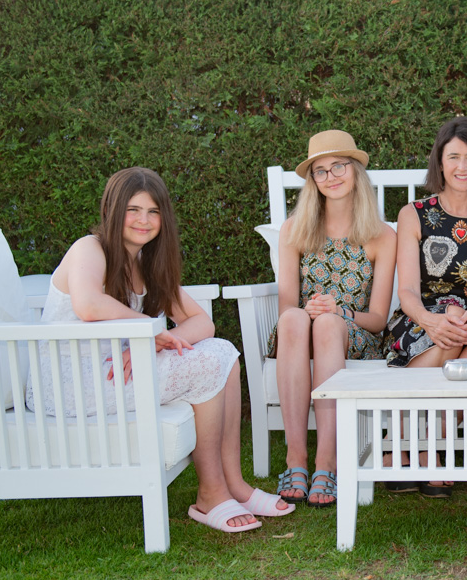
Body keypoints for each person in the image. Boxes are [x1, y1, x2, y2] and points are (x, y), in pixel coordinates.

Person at [28, 167, 294, 532]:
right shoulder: (89, 249)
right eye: (133, 210)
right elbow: (88, 305)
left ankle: (234, 485)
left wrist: (153, 346)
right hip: (71, 383)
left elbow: (203, 322)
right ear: (112, 210)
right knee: (211, 361)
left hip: (116, 371)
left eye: (153, 212)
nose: (144, 220)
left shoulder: (145, 263)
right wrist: (149, 331)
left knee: (223, 352)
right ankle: (210, 494)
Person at [383, 116, 467, 498]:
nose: (462, 166)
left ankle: (422, 443)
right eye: (453, 156)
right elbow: (406, 290)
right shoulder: (414, 214)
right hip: (419, 322)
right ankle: (429, 450)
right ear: (439, 162)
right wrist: (431, 320)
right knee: (451, 330)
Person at [269, 131, 397, 508]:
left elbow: (376, 319)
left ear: (356, 171)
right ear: (312, 182)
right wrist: (306, 312)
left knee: (328, 325)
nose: (331, 176)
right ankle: (296, 459)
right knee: (294, 320)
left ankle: (327, 462)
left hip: (353, 333)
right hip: (299, 331)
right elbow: (286, 307)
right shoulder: (295, 230)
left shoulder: (380, 235)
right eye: (320, 171)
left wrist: (339, 312)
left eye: (339, 166)